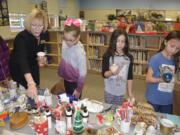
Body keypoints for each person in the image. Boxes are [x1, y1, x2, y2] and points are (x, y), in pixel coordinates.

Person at [9, 8, 48, 98]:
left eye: (40, 25)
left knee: (35, 85)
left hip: (32, 64)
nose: (37, 29)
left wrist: (41, 60)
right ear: (29, 24)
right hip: (19, 67)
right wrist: (30, 83)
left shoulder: (43, 34)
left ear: (44, 25)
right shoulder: (22, 38)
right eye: (34, 25)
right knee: (24, 90)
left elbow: (39, 52)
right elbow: (22, 60)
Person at [146, 30, 180, 114]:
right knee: (151, 123)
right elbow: (148, 79)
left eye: (177, 48)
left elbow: (174, 78)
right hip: (154, 99)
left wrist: (177, 81)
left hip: (167, 101)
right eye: (172, 46)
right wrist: (161, 79)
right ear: (165, 42)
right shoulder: (156, 58)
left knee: (165, 122)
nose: (174, 50)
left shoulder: (174, 59)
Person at [102, 29, 134, 107]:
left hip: (121, 92)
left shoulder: (129, 57)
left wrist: (130, 93)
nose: (120, 44)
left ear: (126, 43)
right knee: (109, 111)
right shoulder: (107, 55)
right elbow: (104, 74)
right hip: (110, 91)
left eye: (123, 41)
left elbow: (130, 76)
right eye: (118, 41)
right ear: (113, 41)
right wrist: (111, 72)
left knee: (119, 111)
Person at [58, 18, 87, 99]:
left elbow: (83, 74)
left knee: (74, 105)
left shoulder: (80, 53)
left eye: (71, 40)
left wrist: (79, 90)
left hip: (75, 83)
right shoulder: (64, 43)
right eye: (65, 39)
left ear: (78, 37)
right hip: (65, 79)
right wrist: (60, 74)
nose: (68, 42)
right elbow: (63, 60)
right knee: (65, 101)